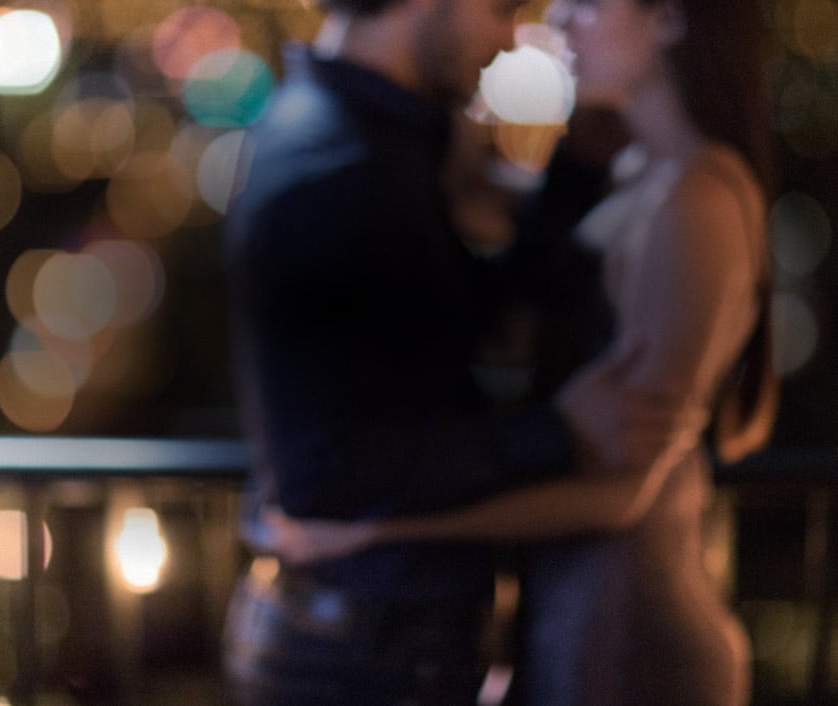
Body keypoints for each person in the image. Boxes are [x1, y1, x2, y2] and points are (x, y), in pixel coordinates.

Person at [260, 0, 780, 703]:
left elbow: (622, 493)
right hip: (569, 609)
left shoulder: (701, 200)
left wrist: (368, 529)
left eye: (590, 3)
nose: (557, 19)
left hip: (630, 627)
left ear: (670, 18)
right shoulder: (637, 172)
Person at [219, 0, 583, 704]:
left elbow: (425, 334)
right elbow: (321, 469)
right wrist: (566, 437)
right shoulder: (341, 163)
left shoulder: (367, 139)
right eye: (501, 9)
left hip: (368, 636)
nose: (512, 40)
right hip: (361, 654)